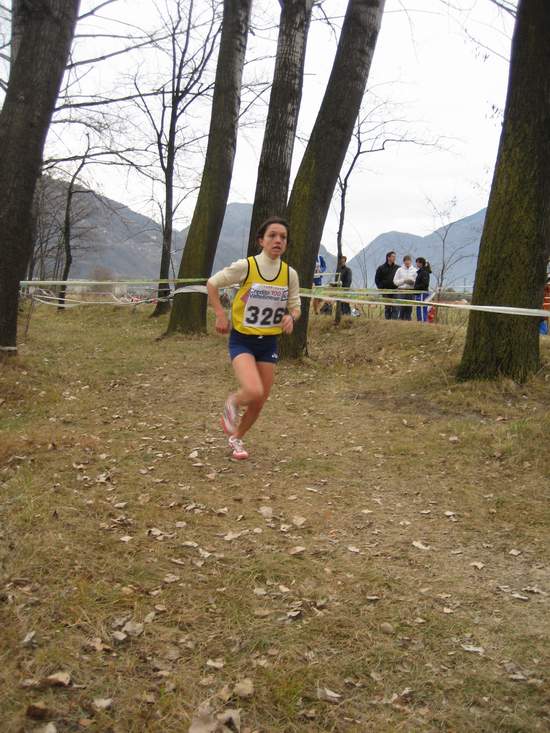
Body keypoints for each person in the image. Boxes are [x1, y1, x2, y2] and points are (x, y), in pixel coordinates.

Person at [207, 216, 300, 460]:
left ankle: (236, 438)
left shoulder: (289, 274)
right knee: (253, 390)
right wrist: (220, 315)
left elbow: (296, 306)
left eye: (283, 237)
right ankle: (233, 402)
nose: (278, 240)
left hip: (268, 343)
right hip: (243, 340)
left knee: (260, 400)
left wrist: (291, 317)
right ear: (261, 240)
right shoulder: (246, 266)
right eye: (272, 235)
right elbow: (212, 284)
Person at [375, 251, 399, 320]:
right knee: (387, 307)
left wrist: (399, 287)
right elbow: (377, 279)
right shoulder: (381, 268)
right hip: (385, 291)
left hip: (396, 291)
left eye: (395, 257)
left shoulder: (398, 268)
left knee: (395, 307)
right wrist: (381, 288)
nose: (394, 258)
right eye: (393, 256)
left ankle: (394, 322)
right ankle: (387, 321)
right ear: (388, 257)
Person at [393, 255, 417, 320]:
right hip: (401, 291)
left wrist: (412, 282)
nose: (407, 263)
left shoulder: (415, 270)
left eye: (408, 261)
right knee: (400, 308)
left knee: (409, 308)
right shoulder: (399, 270)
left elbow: (417, 282)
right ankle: (400, 320)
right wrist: (403, 281)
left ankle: (408, 321)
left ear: (411, 261)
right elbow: (395, 281)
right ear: (404, 262)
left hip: (410, 291)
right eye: (406, 262)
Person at [414, 257, 432, 322]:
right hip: (419, 293)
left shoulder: (424, 272)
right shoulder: (420, 272)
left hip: (422, 293)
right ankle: (420, 321)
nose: (416, 264)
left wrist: (416, 287)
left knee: (421, 308)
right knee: (419, 308)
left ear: (421, 263)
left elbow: (425, 284)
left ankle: (422, 322)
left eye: (417, 262)